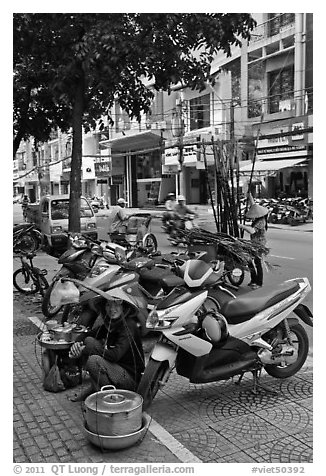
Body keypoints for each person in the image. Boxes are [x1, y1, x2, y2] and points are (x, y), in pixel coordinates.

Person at [68, 297, 145, 401]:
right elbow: (90, 334)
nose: (112, 309)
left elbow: (115, 355)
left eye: (116, 305)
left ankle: (111, 396)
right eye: (108, 305)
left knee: (93, 361)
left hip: (129, 377)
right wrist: (77, 342)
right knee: (90, 340)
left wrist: (86, 350)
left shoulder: (129, 326)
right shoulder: (111, 323)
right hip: (115, 367)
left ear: (123, 307)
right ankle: (95, 389)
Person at [238, 192, 269, 289]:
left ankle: (259, 283)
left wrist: (241, 226)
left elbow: (252, 231)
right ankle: (253, 279)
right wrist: (249, 195)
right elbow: (253, 205)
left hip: (259, 245)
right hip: (253, 243)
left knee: (257, 263)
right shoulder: (259, 216)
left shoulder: (261, 221)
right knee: (249, 261)